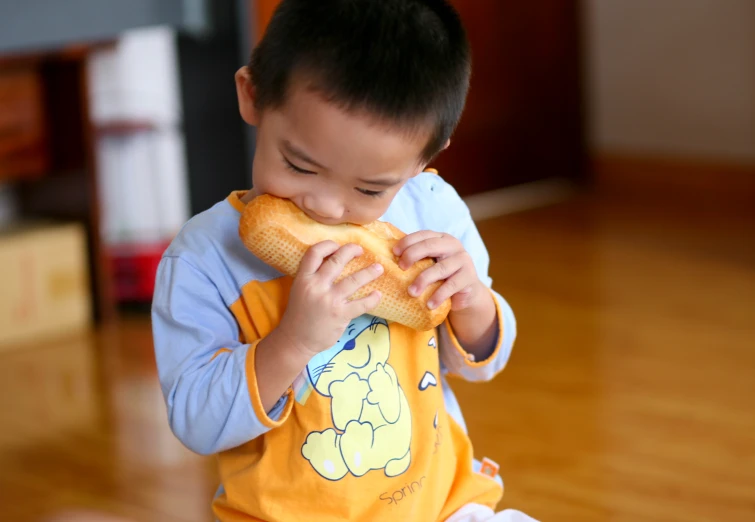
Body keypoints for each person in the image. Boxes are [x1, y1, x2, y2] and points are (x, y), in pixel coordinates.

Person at [152, 1, 537, 520]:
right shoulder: (203, 260)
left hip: (440, 505)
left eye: (369, 188)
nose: (327, 206)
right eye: (298, 165)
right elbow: (196, 421)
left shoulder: (431, 211)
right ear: (253, 96)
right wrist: (294, 341)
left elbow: (484, 363)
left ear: (425, 158)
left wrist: (472, 302)